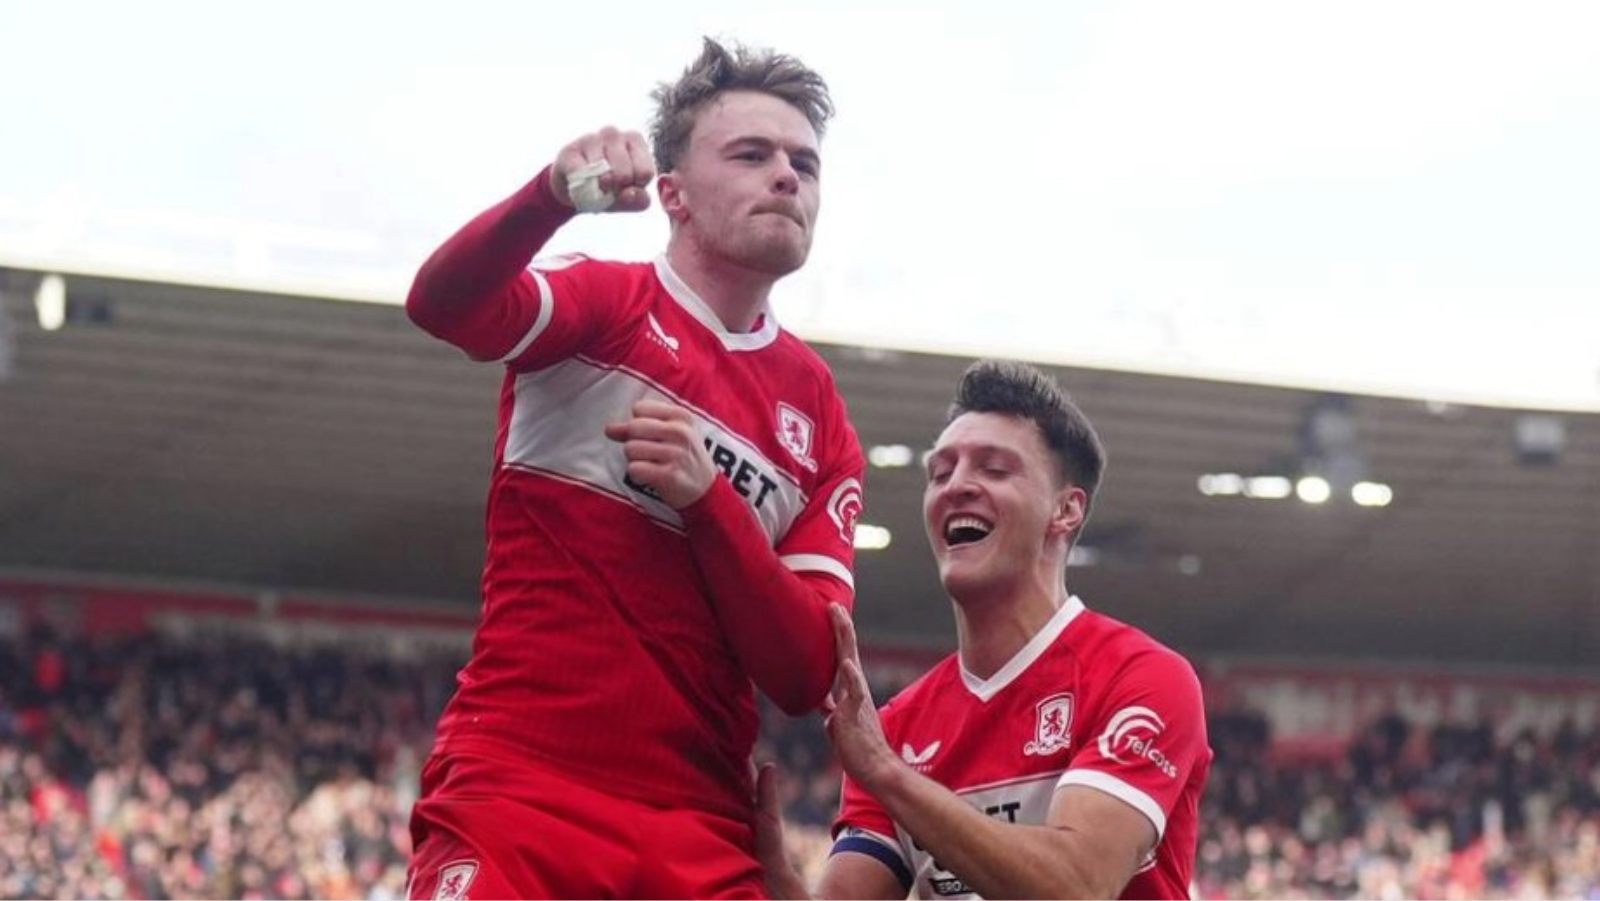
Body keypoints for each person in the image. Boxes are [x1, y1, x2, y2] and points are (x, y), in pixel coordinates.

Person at [403, 37, 864, 900]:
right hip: (521, 791)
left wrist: (709, 501)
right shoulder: (605, 303)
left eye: (805, 162)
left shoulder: (821, 415)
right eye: (752, 153)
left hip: (699, 833)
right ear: (674, 195)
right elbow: (443, 305)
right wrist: (547, 200)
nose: (787, 176)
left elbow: (805, 676)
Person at [756, 360, 1212, 900]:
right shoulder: (896, 727)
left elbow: (1076, 888)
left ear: (1065, 510)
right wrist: (778, 883)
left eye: (994, 469)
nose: (957, 486)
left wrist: (887, 772)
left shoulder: (1143, 678)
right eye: (940, 472)